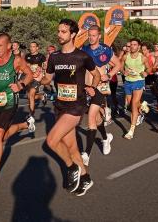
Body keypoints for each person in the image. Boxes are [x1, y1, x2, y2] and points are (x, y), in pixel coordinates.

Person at [40, 19, 101, 196]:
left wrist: (92, 87)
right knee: (73, 149)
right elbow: (47, 79)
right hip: (59, 105)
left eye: (64, 32)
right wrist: (39, 78)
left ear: (73, 34)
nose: (59, 34)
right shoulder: (54, 57)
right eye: (59, 31)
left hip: (76, 106)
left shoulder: (82, 57)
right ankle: (86, 177)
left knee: (51, 141)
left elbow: (96, 75)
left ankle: (71, 167)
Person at [0, 33, 36, 188]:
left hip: (10, 101)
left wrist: (21, 85)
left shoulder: (16, 60)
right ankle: (25, 124)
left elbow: (29, 74)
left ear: (9, 46)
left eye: (0, 45)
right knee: (2, 138)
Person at [80, 25, 121, 164]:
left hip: (99, 88)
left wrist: (109, 74)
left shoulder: (105, 50)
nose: (91, 38)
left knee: (91, 118)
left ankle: (86, 154)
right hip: (87, 88)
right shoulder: (84, 50)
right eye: (89, 35)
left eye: (93, 35)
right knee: (97, 120)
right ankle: (105, 138)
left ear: (99, 36)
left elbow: (118, 64)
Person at [121, 38, 151, 140]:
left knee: (134, 104)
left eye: (134, 45)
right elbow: (120, 67)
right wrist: (123, 72)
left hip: (138, 81)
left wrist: (146, 72)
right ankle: (143, 105)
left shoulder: (143, 58)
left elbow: (149, 68)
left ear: (138, 47)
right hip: (128, 82)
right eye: (131, 45)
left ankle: (131, 130)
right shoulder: (125, 57)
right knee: (130, 103)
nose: (132, 46)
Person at [25, 42, 47, 121]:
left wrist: (41, 69)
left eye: (33, 47)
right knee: (29, 96)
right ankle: (41, 96)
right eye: (30, 46)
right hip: (29, 77)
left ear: (37, 48)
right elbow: (26, 66)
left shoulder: (41, 56)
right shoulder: (27, 56)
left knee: (31, 94)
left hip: (37, 78)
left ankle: (31, 114)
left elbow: (45, 66)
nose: (31, 48)